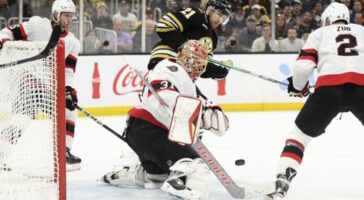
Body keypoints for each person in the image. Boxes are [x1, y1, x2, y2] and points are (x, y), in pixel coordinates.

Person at [267, 2, 364, 199]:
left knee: (299, 136)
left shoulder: (319, 34)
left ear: (327, 19)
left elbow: (302, 68)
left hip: (330, 90)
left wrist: (300, 87)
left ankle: (282, 182)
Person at [100, 40, 229, 200]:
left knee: (157, 178)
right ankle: (182, 184)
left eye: (201, 61)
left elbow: (185, 118)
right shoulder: (170, 68)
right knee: (194, 167)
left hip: (144, 132)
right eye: (197, 59)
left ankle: (133, 173)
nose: (200, 65)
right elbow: (165, 97)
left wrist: (206, 112)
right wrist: (201, 112)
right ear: (186, 57)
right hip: (149, 130)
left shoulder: (186, 80)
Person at [0, 0, 81, 171]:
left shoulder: (73, 42)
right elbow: (7, 32)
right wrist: (4, 41)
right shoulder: (37, 25)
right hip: (26, 81)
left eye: (71, 16)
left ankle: (64, 152)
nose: (69, 20)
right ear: (56, 15)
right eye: (65, 15)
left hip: (46, 88)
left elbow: (68, 72)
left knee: (69, 112)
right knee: (22, 120)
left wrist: (69, 91)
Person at [148, 0, 232, 80]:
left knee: (194, 95)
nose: (220, 20)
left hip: (183, 72)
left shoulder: (213, 39)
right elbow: (164, 25)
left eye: (224, 18)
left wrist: (219, 71)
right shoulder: (195, 14)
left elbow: (200, 67)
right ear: (209, 10)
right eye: (219, 14)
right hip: (166, 58)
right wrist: (184, 44)